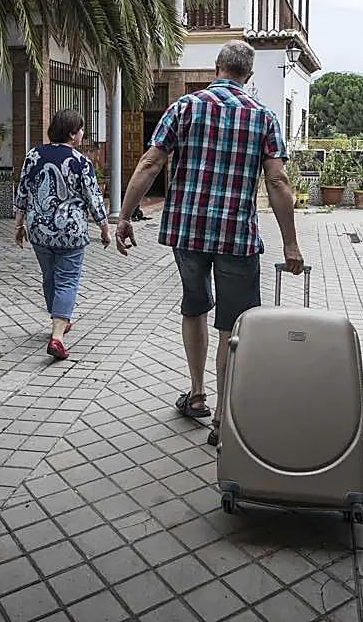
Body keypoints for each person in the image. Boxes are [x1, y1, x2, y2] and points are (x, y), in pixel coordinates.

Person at [115, 40, 303, 446]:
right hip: (236, 236)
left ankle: (197, 393)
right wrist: (291, 244)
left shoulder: (183, 107)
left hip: (188, 231)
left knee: (194, 307)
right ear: (248, 76)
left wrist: (125, 216)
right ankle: (221, 415)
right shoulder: (263, 117)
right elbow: (277, 181)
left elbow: (150, 163)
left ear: (217, 68)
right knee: (233, 326)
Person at [14, 109, 110, 360]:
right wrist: (104, 227)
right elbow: (93, 198)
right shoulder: (80, 161)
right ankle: (57, 336)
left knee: (50, 277)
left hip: (39, 230)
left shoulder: (33, 155)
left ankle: (59, 319)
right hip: (70, 231)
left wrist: (18, 224)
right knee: (67, 280)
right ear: (72, 133)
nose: (83, 134)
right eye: (81, 129)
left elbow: (23, 190)